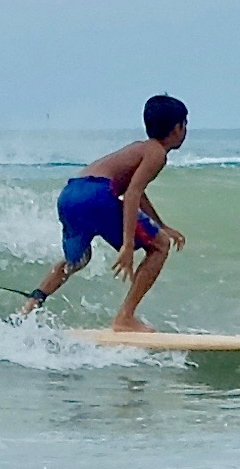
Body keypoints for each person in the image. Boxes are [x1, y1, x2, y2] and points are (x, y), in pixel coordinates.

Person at [18, 95, 189, 333]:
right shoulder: (156, 153)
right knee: (160, 245)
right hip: (96, 195)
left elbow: (137, 192)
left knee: (76, 260)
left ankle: (32, 303)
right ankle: (125, 318)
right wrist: (128, 246)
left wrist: (161, 224)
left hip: (71, 194)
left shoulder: (139, 148)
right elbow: (131, 195)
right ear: (177, 127)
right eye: (185, 124)